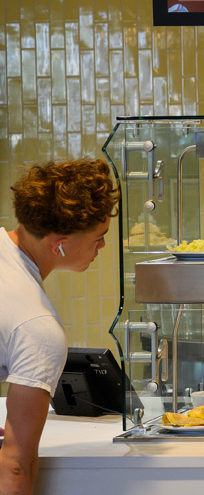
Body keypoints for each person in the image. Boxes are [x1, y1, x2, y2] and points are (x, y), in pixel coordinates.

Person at [2, 159, 118, 495]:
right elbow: (15, 464)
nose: (103, 247)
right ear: (60, 245)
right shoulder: (38, 327)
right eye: (99, 237)